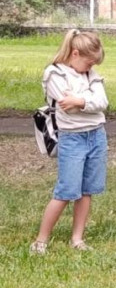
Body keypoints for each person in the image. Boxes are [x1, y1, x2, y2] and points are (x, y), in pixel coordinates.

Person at [30, 29, 109, 255]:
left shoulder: (90, 74)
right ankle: (41, 240)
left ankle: (77, 238)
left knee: (87, 190)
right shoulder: (55, 74)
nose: (92, 67)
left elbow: (102, 101)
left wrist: (81, 101)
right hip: (72, 138)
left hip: (96, 135)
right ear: (75, 54)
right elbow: (67, 105)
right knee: (66, 190)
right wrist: (86, 101)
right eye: (89, 61)